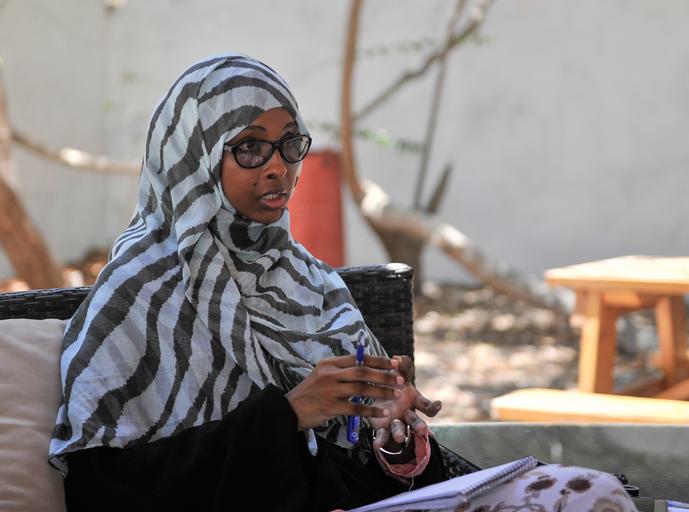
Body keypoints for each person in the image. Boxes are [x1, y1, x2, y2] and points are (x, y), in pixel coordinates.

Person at [48, 53, 637, 512]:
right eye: (249, 148)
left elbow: (367, 470)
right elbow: (101, 492)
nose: (278, 167)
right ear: (193, 158)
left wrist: (393, 435)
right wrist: (287, 416)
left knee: (590, 495)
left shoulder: (309, 282)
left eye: (289, 144)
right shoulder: (136, 294)